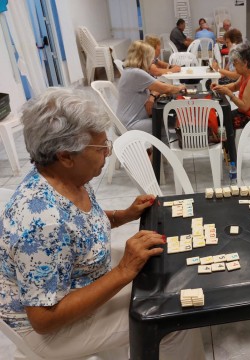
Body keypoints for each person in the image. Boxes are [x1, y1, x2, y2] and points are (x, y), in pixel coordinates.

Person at [0, 87, 206, 360]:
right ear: (65, 156)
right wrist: (123, 270)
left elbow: (81, 224)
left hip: (78, 278)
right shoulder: (41, 223)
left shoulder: (65, 178)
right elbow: (43, 319)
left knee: (164, 268)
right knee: (174, 317)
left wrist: (123, 215)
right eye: (101, 148)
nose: (108, 154)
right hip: (50, 330)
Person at [116, 41, 185, 134]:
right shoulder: (137, 73)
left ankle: (153, 148)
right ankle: (162, 148)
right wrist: (181, 87)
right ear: (144, 57)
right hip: (131, 124)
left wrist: (152, 96)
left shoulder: (130, 70)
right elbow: (166, 88)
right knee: (172, 122)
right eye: (151, 57)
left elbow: (155, 87)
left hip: (124, 121)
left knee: (168, 118)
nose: (153, 60)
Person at [211, 42, 250, 130]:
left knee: (220, 121)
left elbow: (244, 107)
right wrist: (220, 87)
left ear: (245, 63)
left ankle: (229, 143)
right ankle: (225, 141)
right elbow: (235, 86)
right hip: (247, 113)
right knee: (220, 116)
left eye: (236, 62)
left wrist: (230, 94)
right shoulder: (247, 73)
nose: (234, 65)